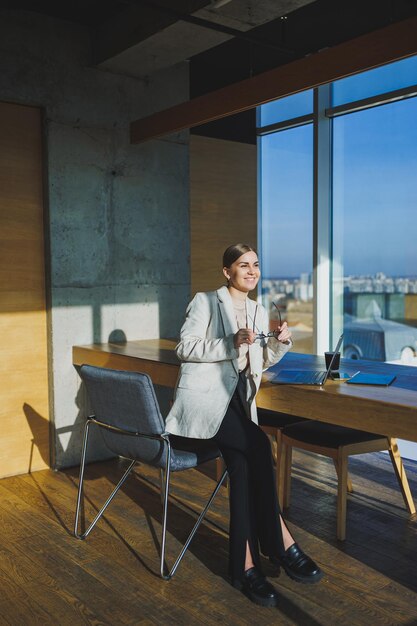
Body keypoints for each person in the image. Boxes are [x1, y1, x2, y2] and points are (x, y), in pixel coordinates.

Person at [165, 243, 322, 607]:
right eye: (243, 265)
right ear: (227, 271)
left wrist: (280, 346)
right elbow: (184, 348)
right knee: (260, 447)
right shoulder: (205, 302)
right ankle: (281, 541)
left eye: (255, 265)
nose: (251, 271)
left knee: (243, 469)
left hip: (238, 401)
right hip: (207, 403)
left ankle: (244, 567)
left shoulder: (256, 309)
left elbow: (256, 363)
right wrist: (229, 341)